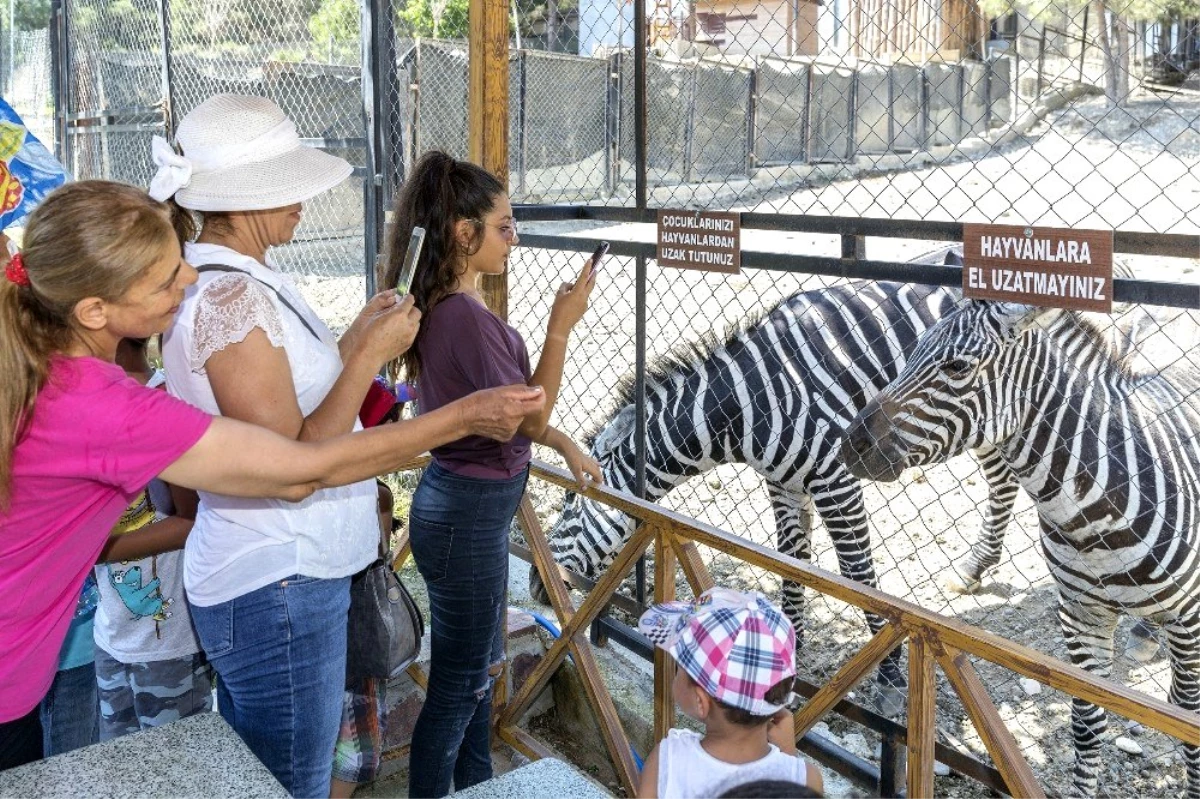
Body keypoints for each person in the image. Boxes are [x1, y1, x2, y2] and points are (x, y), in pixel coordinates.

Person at [0, 178, 543, 771]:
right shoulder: (105, 408)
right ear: (94, 311)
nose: (189, 278)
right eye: (164, 278)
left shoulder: (47, 367)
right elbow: (298, 469)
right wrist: (462, 417)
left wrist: (357, 346)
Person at [150, 93, 424, 799]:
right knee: (293, 784)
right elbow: (289, 464)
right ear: (240, 202)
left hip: (272, 574)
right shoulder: (230, 299)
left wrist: (355, 342)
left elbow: (281, 408)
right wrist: (367, 357)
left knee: (260, 775)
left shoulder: (232, 282)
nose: (304, 200)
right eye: (287, 185)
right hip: (278, 580)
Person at [380, 150, 601, 797]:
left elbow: (510, 412)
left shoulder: (447, 308)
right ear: (462, 232)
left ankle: (477, 782)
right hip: (468, 516)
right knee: (457, 682)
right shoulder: (467, 321)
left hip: (458, 508)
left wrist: (562, 441)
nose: (515, 238)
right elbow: (525, 418)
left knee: (475, 668)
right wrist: (561, 329)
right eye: (504, 226)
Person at [93, 336, 212, 741]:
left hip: (168, 644)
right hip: (111, 635)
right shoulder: (87, 408)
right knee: (125, 768)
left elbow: (193, 519)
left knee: (178, 766)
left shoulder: (161, 405)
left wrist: (96, 549)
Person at [636, 587, 824, 799]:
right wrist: (789, 756)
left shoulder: (667, 760)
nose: (675, 673)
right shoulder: (807, 779)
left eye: (679, 668)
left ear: (701, 702)